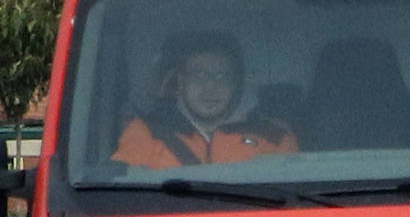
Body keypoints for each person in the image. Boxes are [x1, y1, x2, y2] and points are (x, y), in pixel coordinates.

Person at [113, 31, 297, 168]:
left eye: (221, 76)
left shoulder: (274, 136)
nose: (210, 87)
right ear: (181, 81)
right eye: (199, 75)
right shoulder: (145, 133)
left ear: (236, 83)